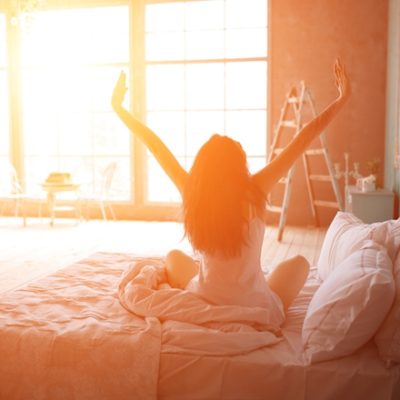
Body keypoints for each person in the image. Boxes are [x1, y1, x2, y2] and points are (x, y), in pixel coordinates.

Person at [111, 59, 350, 314]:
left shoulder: (193, 190)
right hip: (255, 305)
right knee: (300, 263)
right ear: (238, 165)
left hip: (204, 300)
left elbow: (155, 145)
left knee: (173, 257)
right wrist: (342, 98)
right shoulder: (256, 190)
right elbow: (304, 137)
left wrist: (119, 108)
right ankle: (248, 285)